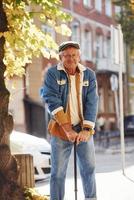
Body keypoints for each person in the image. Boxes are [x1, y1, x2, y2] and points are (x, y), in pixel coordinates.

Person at [40, 41, 99, 200]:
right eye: (66, 56)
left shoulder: (89, 74)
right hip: (60, 130)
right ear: (61, 57)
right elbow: (51, 100)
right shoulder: (53, 74)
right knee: (58, 173)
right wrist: (67, 129)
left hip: (83, 130)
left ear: (79, 56)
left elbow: (92, 102)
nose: (71, 59)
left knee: (89, 169)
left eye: (74, 55)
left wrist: (87, 130)